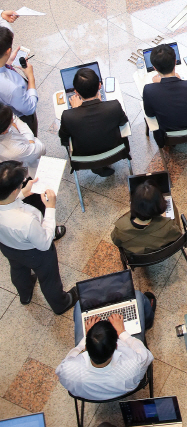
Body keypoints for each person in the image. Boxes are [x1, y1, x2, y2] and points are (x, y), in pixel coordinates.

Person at [0, 161, 76, 313]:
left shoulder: (10, 202)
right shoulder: (25, 221)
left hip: (7, 246)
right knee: (49, 279)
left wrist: (22, 194)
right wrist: (50, 208)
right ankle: (61, 304)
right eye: (22, 183)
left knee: (17, 268)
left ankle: (25, 294)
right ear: (14, 190)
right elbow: (45, 242)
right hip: (35, 253)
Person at [56, 306, 154, 401]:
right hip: (124, 390)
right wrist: (122, 332)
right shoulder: (133, 365)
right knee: (138, 297)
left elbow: (68, 361)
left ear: (86, 348)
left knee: (78, 306)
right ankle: (148, 319)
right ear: (116, 346)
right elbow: (146, 355)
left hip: (89, 396)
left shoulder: (67, 371)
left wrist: (88, 336)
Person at [58, 67, 128, 177]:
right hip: (116, 152)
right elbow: (123, 122)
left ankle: (98, 168)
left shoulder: (68, 116)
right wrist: (100, 104)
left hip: (84, 159)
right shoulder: (113, 106)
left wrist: (76, 110)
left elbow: (64, 138)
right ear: (99, 86)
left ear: (76, 91)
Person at [142, 43, 187, 148]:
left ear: (155, 68)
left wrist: (159, 85)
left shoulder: (149, 90)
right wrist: (180, 81)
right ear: (175, 62)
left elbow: (150, 114)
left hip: (170, 135)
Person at [111, 180, 182, 254]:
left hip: (139, 258)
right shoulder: (168, 225)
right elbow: (177, 236)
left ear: (133, 204)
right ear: (159, 206)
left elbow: (116, 242)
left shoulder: (120, 228)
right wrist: (164, 219)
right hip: (162, 253)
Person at [0, 26, 38, 135]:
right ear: (8, 50)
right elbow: (29, 108)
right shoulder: (12, 87)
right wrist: (31, 78)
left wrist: (6, 61)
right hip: (21, 119)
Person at [0, 102, 45, 170]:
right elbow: (41, 148)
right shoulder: (15, 150)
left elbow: (15, 118)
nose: (13, 118)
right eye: (11, 121)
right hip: (25, 168)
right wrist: (31, 141)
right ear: (4, 131)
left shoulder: (3, 117)